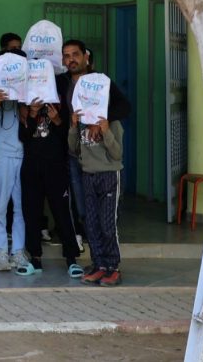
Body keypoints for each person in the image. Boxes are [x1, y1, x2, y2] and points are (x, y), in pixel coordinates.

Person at [57, 39, 131, 244]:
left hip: (101, 156)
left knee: (106, 210)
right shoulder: (61, 82)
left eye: (75, 54)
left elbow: (125, 107)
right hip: (75, 153)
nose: (71, 59)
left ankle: (108, 250)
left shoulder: (101, 82)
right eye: (67, 56)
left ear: (85, 57)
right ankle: (90, 241)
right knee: (82, 205)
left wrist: (100, 122)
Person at [18, 96, 83, 278]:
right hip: (32, 167)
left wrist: (57, 120)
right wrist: (32, 113)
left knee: (62, 213)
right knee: (31, 214)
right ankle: (35, 259)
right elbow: (23, 137)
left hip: (56, 168)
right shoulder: (26, 103)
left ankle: (71, 259)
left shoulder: (60, 101)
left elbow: (68, 139)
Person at [0, 50, 31, 273]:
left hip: (24, 154)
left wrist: (25, 103)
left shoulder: (30, 88)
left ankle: (18, 251)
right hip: (1, 155)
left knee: (21, 207)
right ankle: (1, 251)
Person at [70, 113, 125, 286]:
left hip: (108, 175)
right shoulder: (82, 121)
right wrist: (73, 126)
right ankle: (99, 264)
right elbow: (73, 149)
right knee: (91, 223)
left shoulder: (113, 123)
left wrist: (105, 131)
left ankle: (113, 267)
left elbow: (117, 154)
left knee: (107, 223)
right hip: (88, 175)